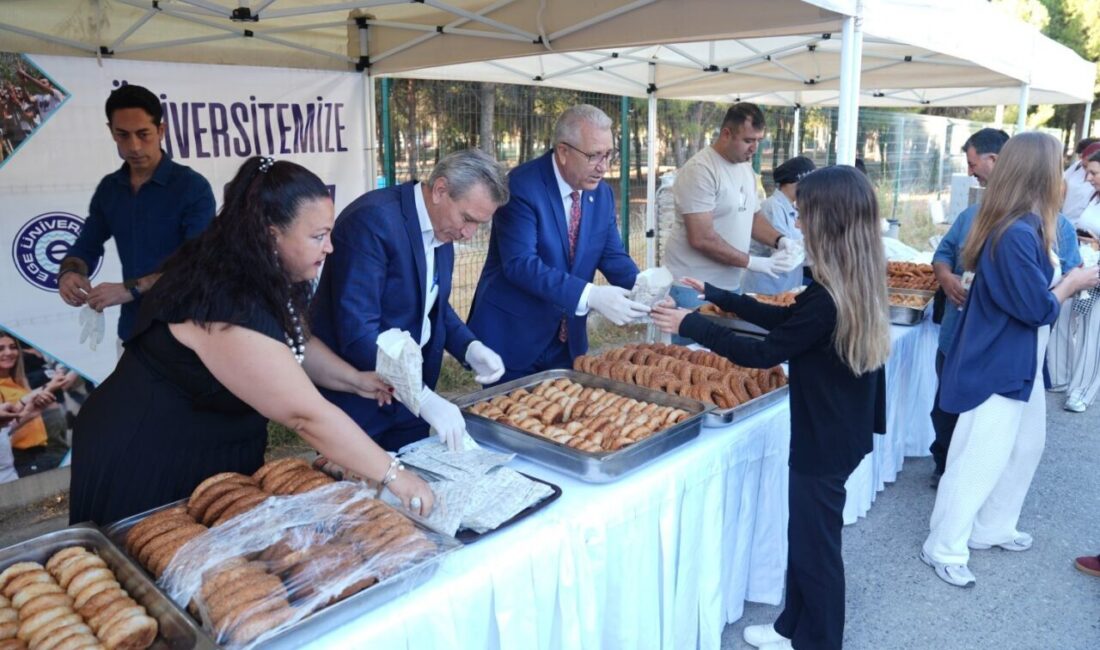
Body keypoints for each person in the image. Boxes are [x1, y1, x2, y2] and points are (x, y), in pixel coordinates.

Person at [69, 157, 436, 526]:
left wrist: (354, 380)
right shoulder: (225, 299)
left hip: (210, 450)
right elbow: (305, 415)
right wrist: (395, 475)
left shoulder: (255, 268)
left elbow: (295, 342)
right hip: (148, 456)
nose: (330, 249)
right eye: (318, 236)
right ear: (270, 233)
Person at [651, 166, 889, 650]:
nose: (797, 224)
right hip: (839, 430)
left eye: (805, 215)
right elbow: (786, 319)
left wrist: (692, 323)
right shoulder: (843, 281)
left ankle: (820, 641)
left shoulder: (830, 297)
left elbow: (764, 352)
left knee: (815, 549)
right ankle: (790, 628)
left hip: (824, 440)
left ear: (830, 221)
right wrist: (719, 297)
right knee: (806, 538)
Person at [921, 133, 1100, 588]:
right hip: (1001, 358)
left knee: (1024, 446)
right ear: (1040, 172)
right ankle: (944, 545)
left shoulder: (1029, 224)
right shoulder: (1015, 233)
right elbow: (1037, 308)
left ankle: (992, 526)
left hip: (1020, 358)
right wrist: (1074, 282)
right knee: (980, 454)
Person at [310, 149, 510, 453]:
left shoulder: (443, 229)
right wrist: (420, 395)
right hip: (361, 401)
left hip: (409, 401)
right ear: (441, 190)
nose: (468, 234)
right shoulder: (373, 222)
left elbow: (433, 306)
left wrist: (470, 347)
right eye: (467, 219)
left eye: (479, 225)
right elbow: (358, 332)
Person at [929, 128, 1082, 485]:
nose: (970, 172)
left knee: (988, 433)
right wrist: (948, 277)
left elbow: (1057, 284)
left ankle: (969, 488)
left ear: (999, 162)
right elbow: (944, 255)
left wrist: (1062, 285)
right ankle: (951, 476)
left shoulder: (1056, 226)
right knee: (955, 417)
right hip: (967, 336)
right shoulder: (986, 219)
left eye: (972, 163)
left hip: (1005, 344)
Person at [467, 104, 644, 382]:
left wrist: (646, 291)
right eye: (594, 156)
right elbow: (521, 264)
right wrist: (591, 296)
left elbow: (612, 256)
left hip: (567, 341)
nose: (604, 167)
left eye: (609, 154)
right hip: (514, 339)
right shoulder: (522, 186)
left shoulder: (602, 195)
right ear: (563, 151)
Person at [58, 84, 215, 344]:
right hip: (133, 330)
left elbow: (199, 264)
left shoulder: (192, 187)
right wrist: (69, 273)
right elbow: (87, 245)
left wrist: (131, 289)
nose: (134, 146)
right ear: (111, 132)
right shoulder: (110, 189)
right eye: (123, 135)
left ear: (161, 131)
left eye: (144, 134)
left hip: (188, 328)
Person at [663, 103, 799, 313]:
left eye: (758, 140)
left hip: (730, 284)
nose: (754, 148)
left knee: (727, 345)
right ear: (726, 134)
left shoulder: (745, 167)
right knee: (690, 347)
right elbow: (701, 237)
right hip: (693, 286)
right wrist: (753, 263)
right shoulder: (701, 170)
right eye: (748, 140)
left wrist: (781, 240)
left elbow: (752, 217)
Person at [1061, 148, 1100, 413]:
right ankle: (1067, 380)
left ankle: (1083, 392)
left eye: (1094, 173)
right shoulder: (1095, 198)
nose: (1087, 178)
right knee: (1078, 326)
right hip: (1087, 268)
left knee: (1094, 335)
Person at [742, 156, 816, 294]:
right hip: (766, 290)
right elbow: (785, 254)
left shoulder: (791, 208)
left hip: (786, 287)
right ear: (796, 183)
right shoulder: (772, 208)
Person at [0, 333, 70, 477]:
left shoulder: (17, 381)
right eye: (1, 349)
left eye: (13, 347)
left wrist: (32, 409)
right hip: (21, 459)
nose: (8, 352)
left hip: (41, 451)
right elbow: (6, 427)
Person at [1061, 138, 1100, 224]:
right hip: (1066, 223)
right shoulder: (1077, 167)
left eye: (1093, 173)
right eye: (1084, 166)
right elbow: (1062, 183)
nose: (1088, 178)